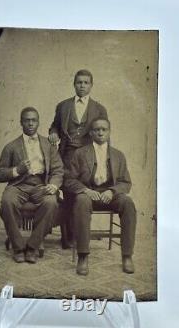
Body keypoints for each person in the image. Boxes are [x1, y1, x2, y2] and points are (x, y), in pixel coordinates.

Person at [64, 117, 137, 275]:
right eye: (97, 129)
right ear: (91, 133)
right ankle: (83, 256)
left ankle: (127, 256)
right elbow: (69, 180)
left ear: (109, 132)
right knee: (81, 201)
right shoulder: (80, 153)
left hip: (110, 195)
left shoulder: (118, 155)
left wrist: (112, 191)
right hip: (88, 193)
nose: (101, 132)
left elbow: (126, 182)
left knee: (128, 203)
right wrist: (86, 190)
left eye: (104, 129)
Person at [0, 107, 64, 264]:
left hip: (41, 184)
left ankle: (32, 247)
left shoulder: (48, 145)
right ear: (21, 123)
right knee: (7, 201)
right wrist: (16, 170)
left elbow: (58, 169)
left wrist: (53, 185)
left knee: (51, 202)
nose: (30, 123)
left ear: (38, 122)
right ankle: (18, 248)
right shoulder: (11, 146)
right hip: (19, 185)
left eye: (34, 120)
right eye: (27, 120)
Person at [48, 69, 108, 247]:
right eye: (79, 82)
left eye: (86, 82)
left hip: (88, 159)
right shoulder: (63, 106)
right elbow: (55, 126)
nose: (82, 85)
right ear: (74, 84)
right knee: (68, 195)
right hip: (66, 155)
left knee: (82, 195)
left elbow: (104, 135)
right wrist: (52, 133)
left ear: (91, 85)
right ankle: (67, 238)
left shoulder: (99, 109)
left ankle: (80, 237)